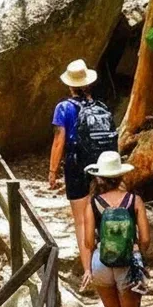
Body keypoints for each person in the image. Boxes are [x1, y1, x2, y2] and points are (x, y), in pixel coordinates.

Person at [48, 59, 117, 289]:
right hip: (103, 166)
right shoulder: (101, 106)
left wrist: (52, 171)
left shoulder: (64, 108)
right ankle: (113, 264)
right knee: (103, 213)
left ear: (70, 85)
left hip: (76, 165)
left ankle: (89, 272)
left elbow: (59, 140)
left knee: (81, 220)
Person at [82, 151, 150, 307]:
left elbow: (88, 242)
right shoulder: (134, 200)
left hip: (101, 262)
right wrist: (136, 252)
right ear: (120, 175)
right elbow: (146, 238)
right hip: (128, 262)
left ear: (100, 176)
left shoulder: (93, 203)